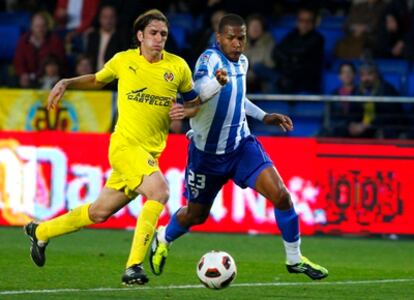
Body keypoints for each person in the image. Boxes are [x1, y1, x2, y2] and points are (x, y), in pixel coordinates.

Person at [23, 9, 218, 285]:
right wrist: (67, 81)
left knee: (98, 212)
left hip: (149, 152)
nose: (159, 38)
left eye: (163, 34)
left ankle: (40, 231)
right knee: (159, 191)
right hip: (125, 146)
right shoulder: (124, 60)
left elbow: (194, 103)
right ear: (140, 36)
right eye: (153, 33)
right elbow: (96, 79)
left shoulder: (178, 67)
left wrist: (186, 113)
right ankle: (133, 267)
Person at [149, 14, 328, 281]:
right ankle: (163, 237)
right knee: (196, 215)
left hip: (241, 147)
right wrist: (216, 82)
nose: (237, 43)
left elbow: (238, 98)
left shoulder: (242, 62)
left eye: (241, 38)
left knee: (281, 196)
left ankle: (294, 259)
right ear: (219, 38)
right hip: (206, 157)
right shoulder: (208, 61)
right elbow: (197, 96)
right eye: (231, 38)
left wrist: (263, 116)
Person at [272, 7, 324, 94]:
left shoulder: (318, 39)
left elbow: (303, 56)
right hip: (286, 72)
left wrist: (288, 56)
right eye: (301, 20)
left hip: (306, 79)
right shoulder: (291, 35)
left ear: (313, 23)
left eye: (308, 21)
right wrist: (291, 58)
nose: (304, 24)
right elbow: (276, 52)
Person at [13, 12, 65, 88]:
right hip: (29, 77)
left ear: (47, 27)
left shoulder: (55, 40)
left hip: (49, 77)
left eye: (43, 26)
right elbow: (18, 61)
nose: (40, 29)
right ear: (32, 27)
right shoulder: (24, 41)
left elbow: (59, 61)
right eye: (37, 26)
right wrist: (23, 74)